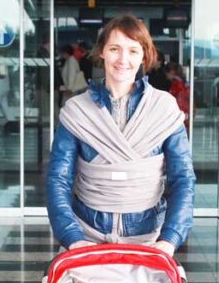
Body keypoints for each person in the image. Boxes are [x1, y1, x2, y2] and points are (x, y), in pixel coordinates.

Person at [46, 15, 195, 254]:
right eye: (115, 49)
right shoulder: (77, 111)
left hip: (149, 241)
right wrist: (72, 237)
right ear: (102, 52)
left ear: (144, 56)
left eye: (133, 51)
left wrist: (170, 239)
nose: (123, 59)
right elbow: (58, 178)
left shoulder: (164, 108)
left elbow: (183, 179)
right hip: (85, 238)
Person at [165, 61, 190, 130]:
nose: (166, 76)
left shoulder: (176, 84)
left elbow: (176, 101)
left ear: (171, 72)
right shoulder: (185, 83)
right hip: (186, 114)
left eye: (167, 73)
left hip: (179, 115)